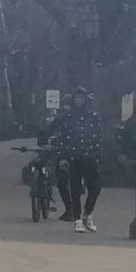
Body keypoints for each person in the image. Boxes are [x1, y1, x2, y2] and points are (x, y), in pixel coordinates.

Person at [47, 89, 107, 231]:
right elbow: (62, 138)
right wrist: (62, 157)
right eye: (76, 98)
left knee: (95, 187)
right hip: (73, 157)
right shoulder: (67, 117)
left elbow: (98, 136)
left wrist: (98, 153)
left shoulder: (93, 116)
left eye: (81, 98)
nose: (79, 101)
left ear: (86, 100)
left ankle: (88, 212)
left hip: (90, 156)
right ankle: (78, 218)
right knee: (74, 189)